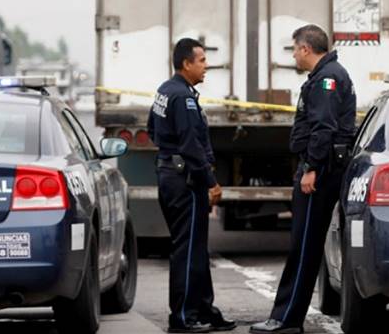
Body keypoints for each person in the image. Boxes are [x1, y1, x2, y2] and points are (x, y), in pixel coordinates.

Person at [250, 25, 356, 334]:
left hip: (320, 173)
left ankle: (286, 320)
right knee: (304, 247)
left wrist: (310, 167)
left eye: (295, 50)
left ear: (306, 49)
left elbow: (323, 127)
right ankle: (285, 317)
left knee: (304, 248)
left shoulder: (326, 79)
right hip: (320, 168)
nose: (294, 55)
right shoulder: (326, 75)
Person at [147, 38, 235, 334]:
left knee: (197, 248)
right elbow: (190, 144)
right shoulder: (182, 98)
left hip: (170, 173)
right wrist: (210, 182)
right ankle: (183, 316)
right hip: (185, 180)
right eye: (201, 60)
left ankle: (203, 309)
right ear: (186, 63)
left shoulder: (166, 90)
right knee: (187, 249)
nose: (206, 65)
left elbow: (151, 129)